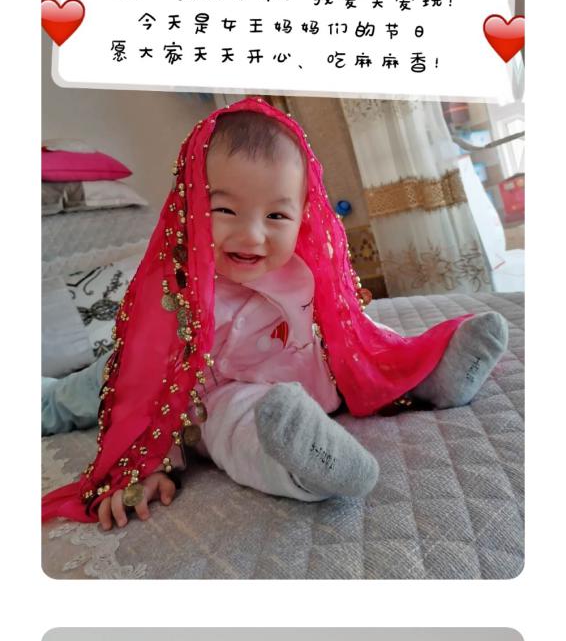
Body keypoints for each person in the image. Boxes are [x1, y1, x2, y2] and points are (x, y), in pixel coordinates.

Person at [42, 97, 508, 526]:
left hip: (308, 370)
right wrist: (147, 465)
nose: (251, 235)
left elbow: (343, 320)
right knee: (217, 416)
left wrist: (362, 341)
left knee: (364, 338)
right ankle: (302, 463)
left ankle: (434, 372)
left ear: (303, 215)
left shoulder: (305, 266)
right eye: (224, 210)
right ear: (189, 207)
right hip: (221, 386)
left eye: (277, 216)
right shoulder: (178, 294)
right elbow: (146, 387)